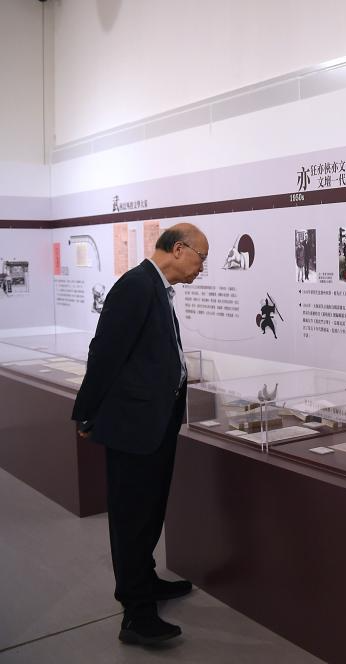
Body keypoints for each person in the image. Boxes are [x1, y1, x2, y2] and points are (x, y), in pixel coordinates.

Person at [72, 223, 209, 645]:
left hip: (155, 422)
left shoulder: (156, 288)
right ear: (179, 249)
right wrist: (86, 413)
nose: (202, 267)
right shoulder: (135, 286)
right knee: (131, 517)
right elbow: (105, 353)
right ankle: (135, 612)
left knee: (149, 511)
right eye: (201, 257)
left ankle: (145, 580)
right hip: (134, 425)